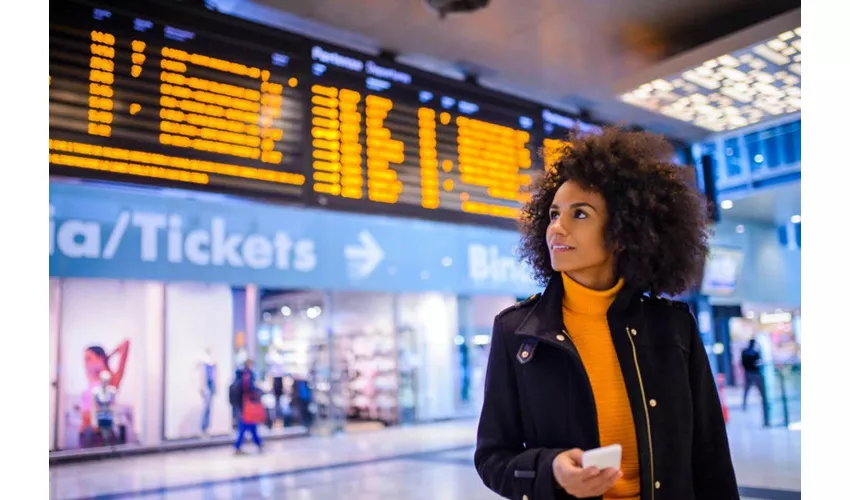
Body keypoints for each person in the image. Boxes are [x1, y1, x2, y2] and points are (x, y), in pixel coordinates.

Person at [474, 128, 738, 500]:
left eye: (579, 214)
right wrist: (550, 470)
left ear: (623, 232)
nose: (557, 228)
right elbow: (491, 458)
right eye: (553, 214)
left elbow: (710, 456)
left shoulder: (673, 327)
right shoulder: (517, 331)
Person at [232, 359, 264, 454]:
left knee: (250, 425)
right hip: (247, 405)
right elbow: (250, 389)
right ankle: (238, 446)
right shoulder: (247, 376)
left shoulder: (241, 375)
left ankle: (258, 444)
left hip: (243, 404)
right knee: (246, 425)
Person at [741, 338, 769, 427]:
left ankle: (744, 404)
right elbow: (758, 362)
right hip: (754, 373)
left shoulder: (745, 352)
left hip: (749, 373)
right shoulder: (754, 353)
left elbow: (742, 362)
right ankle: (745, 404)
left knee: (746, 390)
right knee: (759, 392)